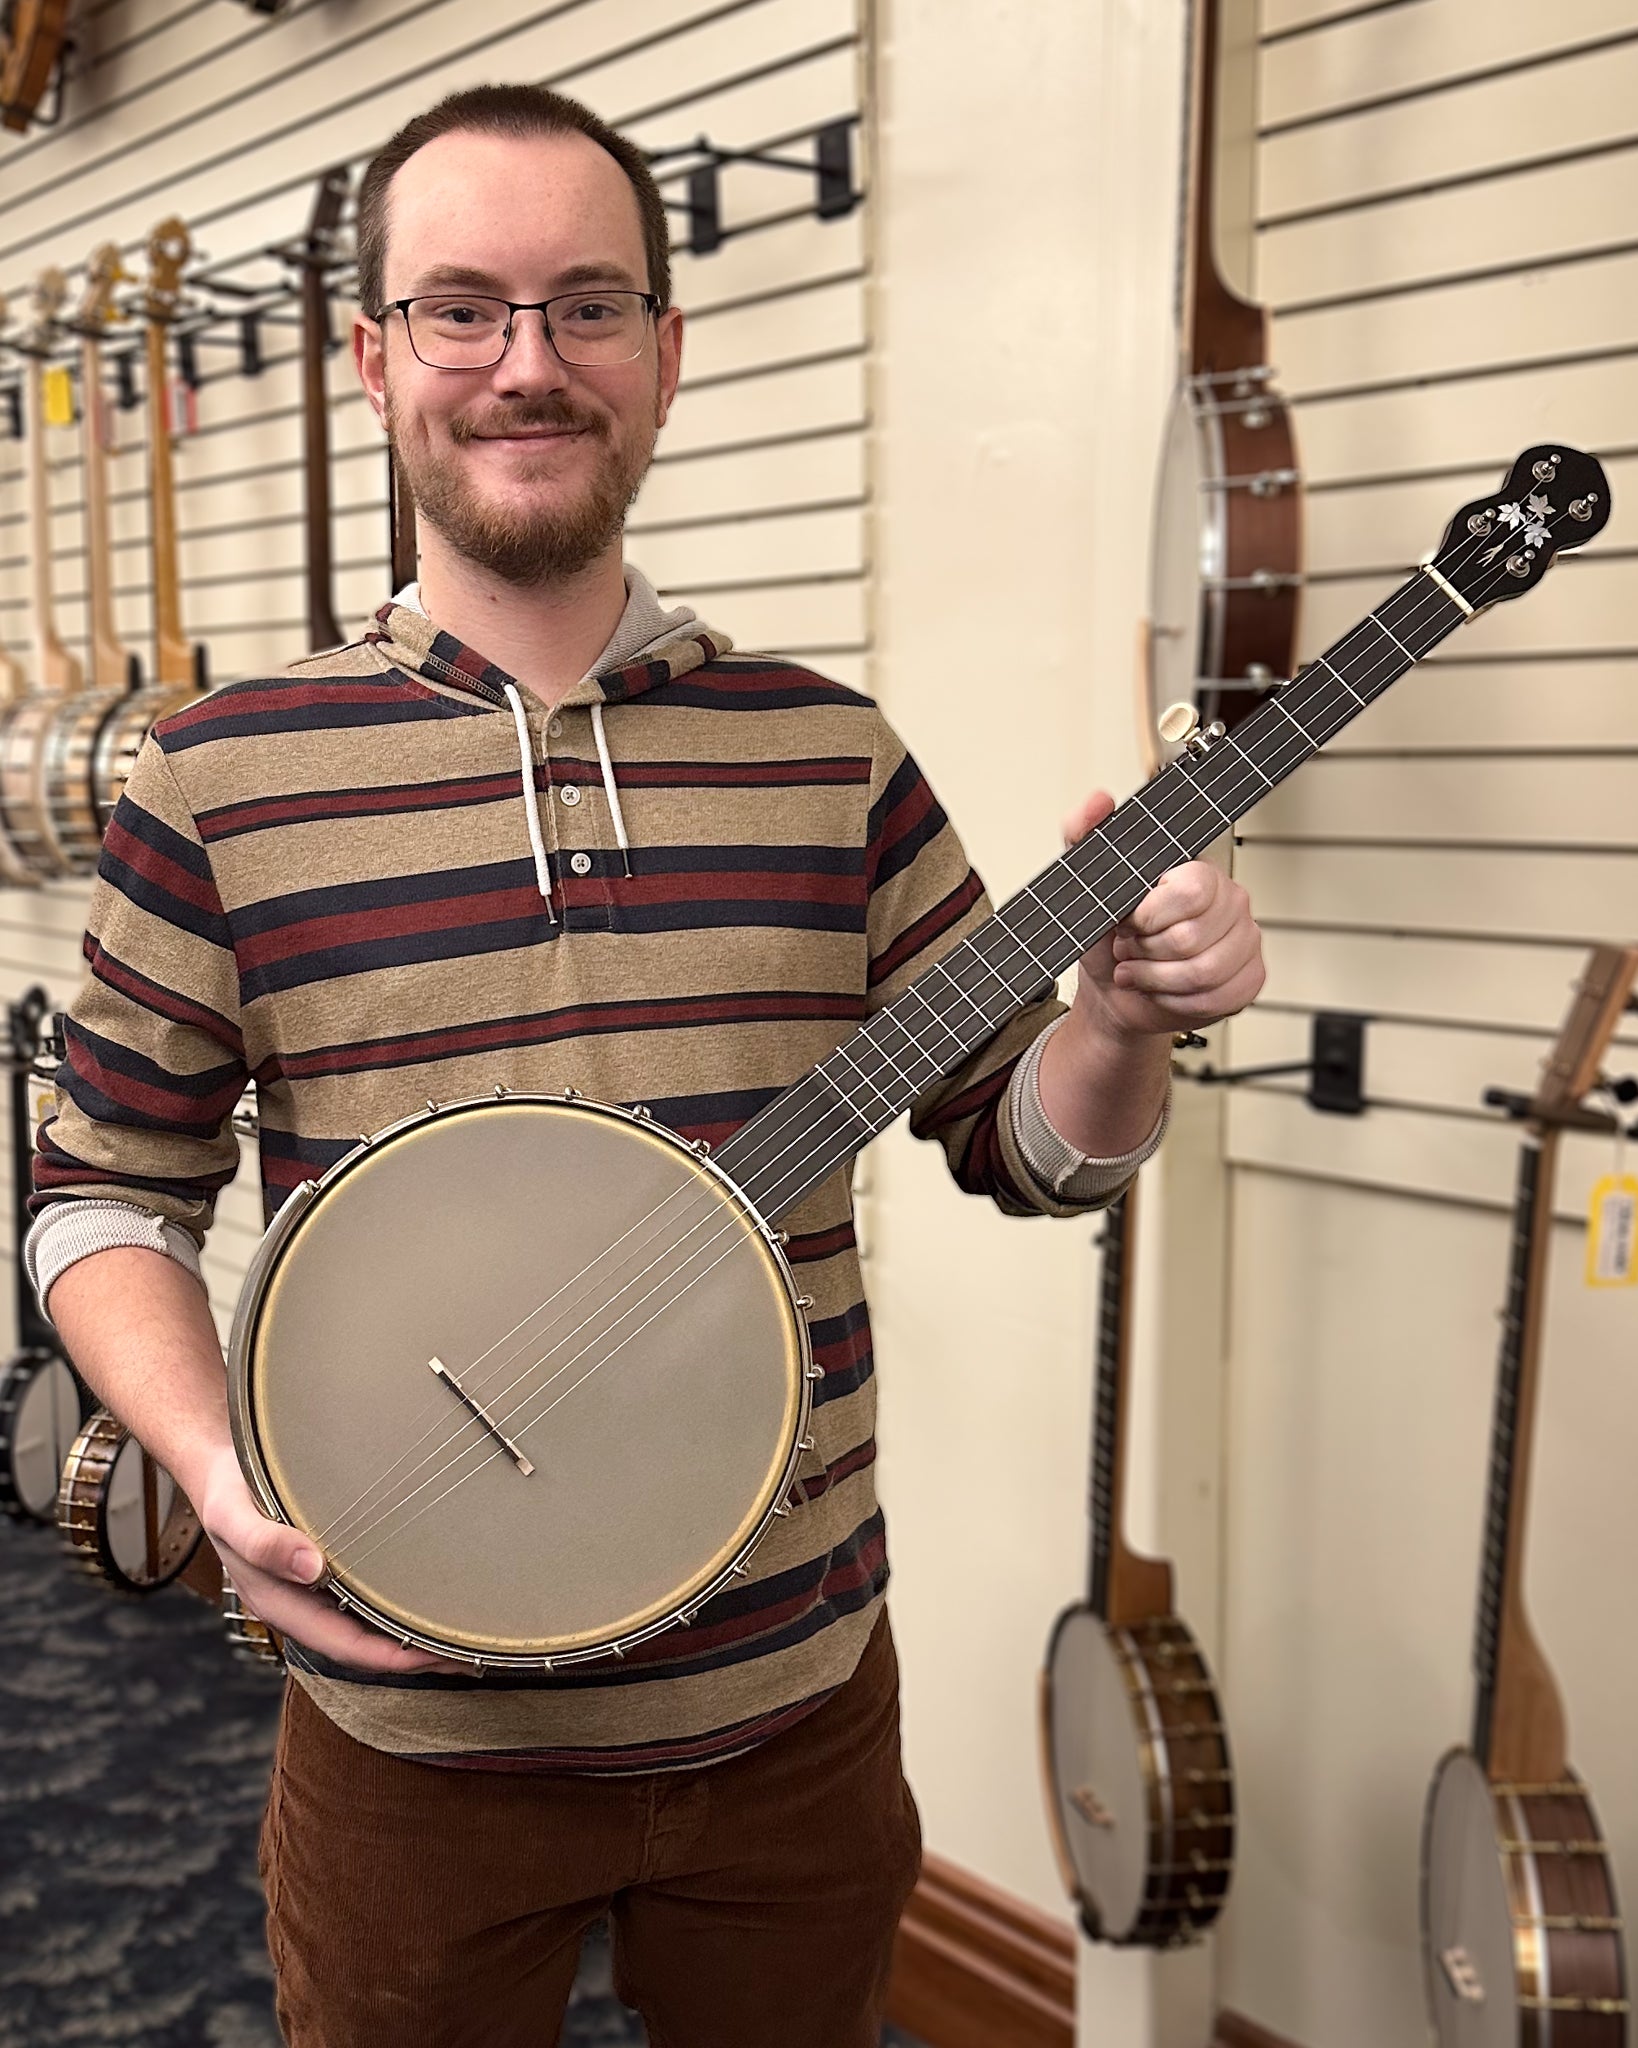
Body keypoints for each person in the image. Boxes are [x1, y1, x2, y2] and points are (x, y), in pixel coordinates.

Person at [29, 85, 1264, 2048]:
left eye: (590, 305)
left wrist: (1119, 1024)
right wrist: (208, 1459)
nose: (529, 363)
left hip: (791, 1708)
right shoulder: (217, 776)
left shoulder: (828, 754)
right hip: (407, 1736)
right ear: (373, 357)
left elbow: (1029, 1152)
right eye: (464, 308)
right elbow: (100, 1196)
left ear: (668, 354)